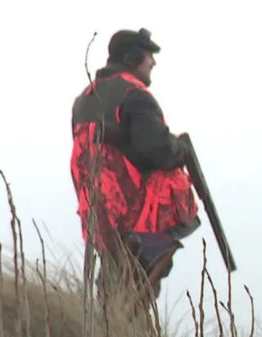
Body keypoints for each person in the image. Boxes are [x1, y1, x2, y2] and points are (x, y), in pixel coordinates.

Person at [70, 28, 200, 300]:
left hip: (100, 213)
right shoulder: (134, 94)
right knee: (139, 286)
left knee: (115, 282)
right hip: (136, 214)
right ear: (132, 58)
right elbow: (159, 150)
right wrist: (180, 149)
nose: (153, 62)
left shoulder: (84, 100)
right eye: (149, 56)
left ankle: (111, 334)